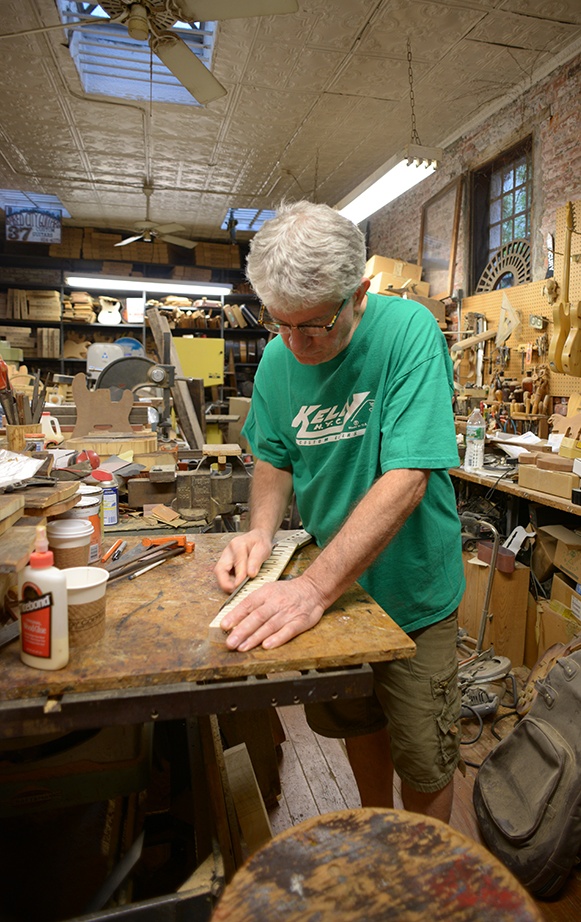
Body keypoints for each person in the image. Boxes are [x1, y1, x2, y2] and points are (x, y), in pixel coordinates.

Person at [214, 200, 465, 823]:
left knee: (426, 758)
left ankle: (419, 879)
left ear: (359, 292)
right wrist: (260, 532)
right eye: (281, 326)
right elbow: (272, 454)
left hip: (412, 596)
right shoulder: (280, 356)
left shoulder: (409, 333)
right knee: (359, 724)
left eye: (315, 327)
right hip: (338, 598)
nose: (296, 345)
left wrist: (311, 591)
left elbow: (406, 479)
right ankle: (379, 841)